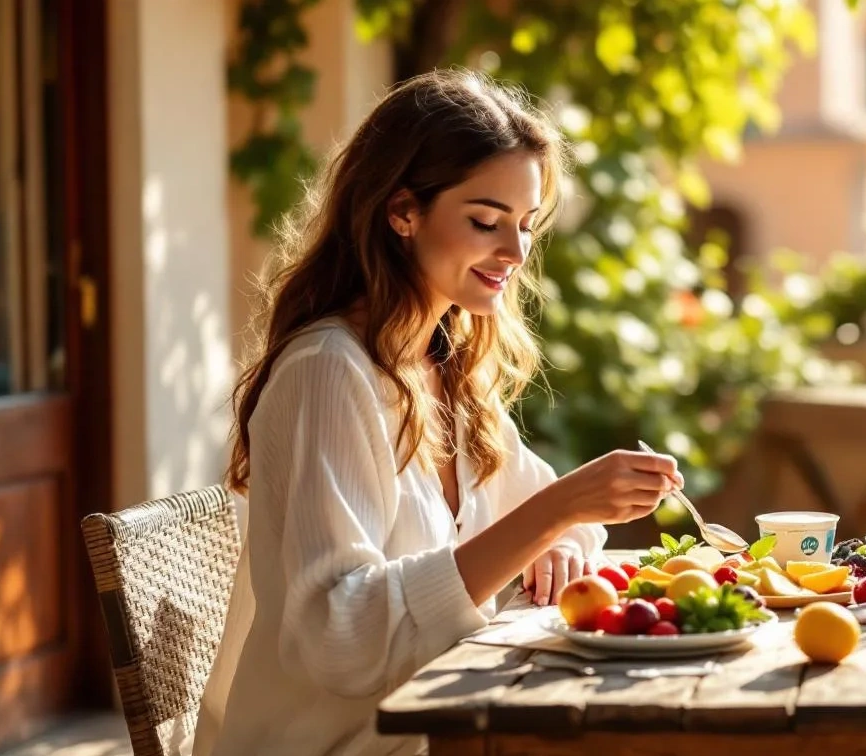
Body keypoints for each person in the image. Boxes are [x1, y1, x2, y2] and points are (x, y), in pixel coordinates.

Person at [193, 68, 680, 756]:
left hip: (453, 730)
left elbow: (560, 523)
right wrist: (556, 512)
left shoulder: (444, 365)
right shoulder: (328, 374)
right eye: (485, 221)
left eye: (526, 226)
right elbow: (341, 633)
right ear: (403, 212)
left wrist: (560, 540)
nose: (515, 253)